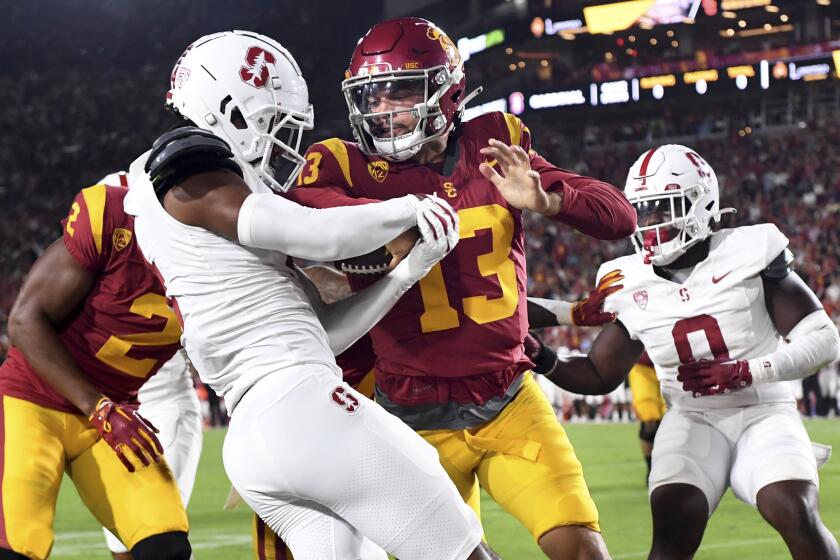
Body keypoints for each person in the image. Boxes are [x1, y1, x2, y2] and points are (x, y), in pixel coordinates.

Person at [123, 30, 492, 560]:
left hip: (263, 428)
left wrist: (406, 272)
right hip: (300, 408)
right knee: (465, 553)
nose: (285, 143)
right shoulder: (189, 167)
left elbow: (323, 335)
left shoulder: (209, 235)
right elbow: (308, 230)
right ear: (230, 110)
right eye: (274, 122)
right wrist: (409, 206)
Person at [286, 17, 636, 559]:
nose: (383, 111)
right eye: (372, 97)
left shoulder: (495, 148)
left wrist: (548, 200)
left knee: (585, 553)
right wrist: (396, 218)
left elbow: (619, 216)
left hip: (509, 400)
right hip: (408, 418)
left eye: (400, 92)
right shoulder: (344, 166)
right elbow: (306, 212)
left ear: (447, 93)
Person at [534, 144, 840, 559]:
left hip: (764, 410)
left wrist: (748, 371)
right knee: (672, 524)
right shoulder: (626, 279)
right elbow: (598, 372)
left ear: (703, 203)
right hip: (692, 417)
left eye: (665, 207)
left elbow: (823, 338)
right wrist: (542, 356)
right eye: (645, 211)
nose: (653, 222)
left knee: (791, 507)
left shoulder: (749, 250)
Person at [2, 177, 191, 558]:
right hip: (34, 402)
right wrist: (100, 408)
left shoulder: (223, 261)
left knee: (166, 545)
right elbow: (24, 320)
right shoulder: (116, 219)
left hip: (111, 416)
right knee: (17, 548)